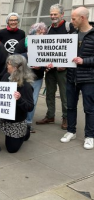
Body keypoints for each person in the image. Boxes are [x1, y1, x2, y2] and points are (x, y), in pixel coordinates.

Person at [0, 55, 34, 156]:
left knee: (11, 149)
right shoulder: (6, 76)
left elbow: (30, 107)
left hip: (15, 120)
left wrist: (20, 99)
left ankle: (25, 131)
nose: (7, 66)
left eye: (8, 64)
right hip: (3, 115)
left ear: (15, 67)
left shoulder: (26, 86)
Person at [36, 4, 75, 130]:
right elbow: (46, 49)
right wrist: (44, 63)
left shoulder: (70, 27)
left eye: (55, 14)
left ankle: (66, 117)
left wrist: (65, 64)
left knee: (65, 94)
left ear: (62, 14)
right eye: (51, 14)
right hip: (50, 69)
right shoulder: (47, 29)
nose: (53, 16)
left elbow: (74, 48)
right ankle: (50, 115)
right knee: (49, 93)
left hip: (64, 70)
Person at [60, 7, 94, 150]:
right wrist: (58, 63)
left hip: (88, 78)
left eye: (74, 18)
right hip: (71, 77)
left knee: (89, 108)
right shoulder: (72, 34)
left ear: (82, 18)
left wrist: (84, 61)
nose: (71, 21)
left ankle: (90, 136)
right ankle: (71, 131)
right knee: (71, 106)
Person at [14, 22, 47, 133]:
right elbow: (15, 58)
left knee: (33, 100)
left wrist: (40, 67)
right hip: (24, 77)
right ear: (33, 32)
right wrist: (27, 56)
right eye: (39, 32)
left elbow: (46, 61)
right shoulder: (23, 43)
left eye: (43, 32)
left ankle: (28, 122)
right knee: (21, 98)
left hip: (37, 77)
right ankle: (20, 120)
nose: (42, 34)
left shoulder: (45, 44)